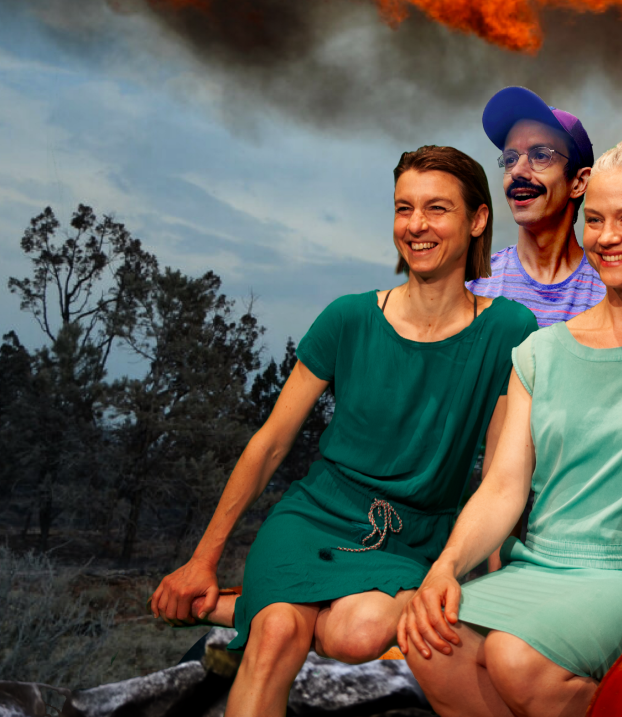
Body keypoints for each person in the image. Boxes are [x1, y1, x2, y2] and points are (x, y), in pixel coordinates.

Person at [148, 146, 538, 717]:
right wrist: (203, 560)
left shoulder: (509, 328)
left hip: (416, 535)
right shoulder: (348, 317)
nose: (416, 225)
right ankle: (260, 601)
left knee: (358, 633)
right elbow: (270, 444)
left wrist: (496, 583)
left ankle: (239, 606)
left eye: (437, 209)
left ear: (477, 220)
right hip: (315, 519)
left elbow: (501, 475)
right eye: (404, 208)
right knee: (277, 633)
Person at [400, 139, 622, 717]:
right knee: (430, 646)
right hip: (544, 562)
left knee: (516, 658)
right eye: (596, 219)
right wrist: (446, 566)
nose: (607, 237)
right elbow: (503, 488)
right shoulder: (540, 353)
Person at [467, 86, 605, 327]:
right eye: (510, 159)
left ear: (578, 182)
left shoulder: (612, 294)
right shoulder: (474, 285)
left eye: (540, 155)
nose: (517, 171)